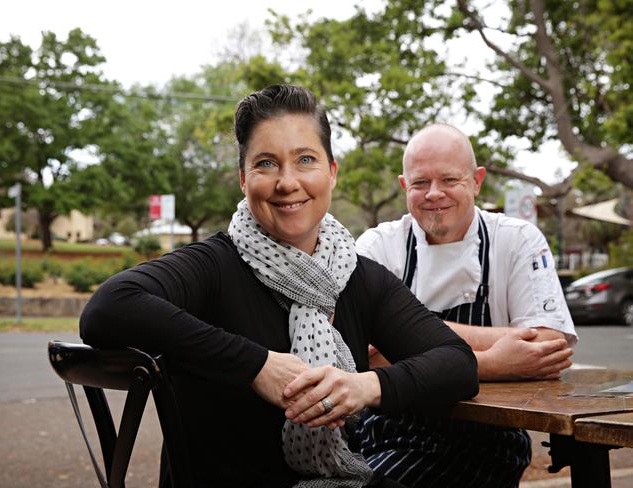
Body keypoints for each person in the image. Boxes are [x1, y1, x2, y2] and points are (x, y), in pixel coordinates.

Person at [79, 87, 479, 488]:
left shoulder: (358, 277)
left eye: (305, 160)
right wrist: (256, 365)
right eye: (266, 164)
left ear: (332, 172)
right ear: (243, 179)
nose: (288, 182)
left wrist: (363, 386)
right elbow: (109, 308)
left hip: (336, 478)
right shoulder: (215, 265)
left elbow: (457, 363)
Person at [354, 123, 578, 488]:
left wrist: (399, 336)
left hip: (484, 440)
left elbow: (548, 347)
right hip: (381, 430)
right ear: (402, 186)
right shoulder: (378, 245)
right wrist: (496, 361)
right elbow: (361, 351)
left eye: (449, 180)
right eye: (420, 183)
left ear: (477, 181)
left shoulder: (517, 240)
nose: (434, 194)